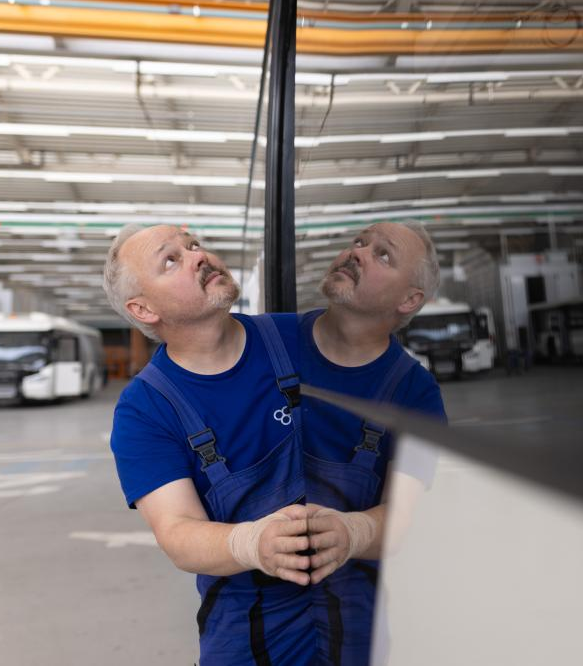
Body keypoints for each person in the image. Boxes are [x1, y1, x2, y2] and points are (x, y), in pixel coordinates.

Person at [103, 221, 443, 665]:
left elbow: (413, 518)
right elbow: (177, 532)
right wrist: (250, 542)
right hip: (244, 642)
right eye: (171, 260)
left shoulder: (297, 339)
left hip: (363, 633)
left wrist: (354, 531)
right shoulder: (145, 407)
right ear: (144, 309)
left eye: (194, 244)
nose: (199, 256)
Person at [296, 220, 446, 666]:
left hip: (352, 621)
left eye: (383, 254)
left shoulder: (416, 394)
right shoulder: (266, 341)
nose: (356, 252)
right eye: (359, 242)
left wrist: (351, 531)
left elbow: (401, 518)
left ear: (409, 300)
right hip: (248, 618)